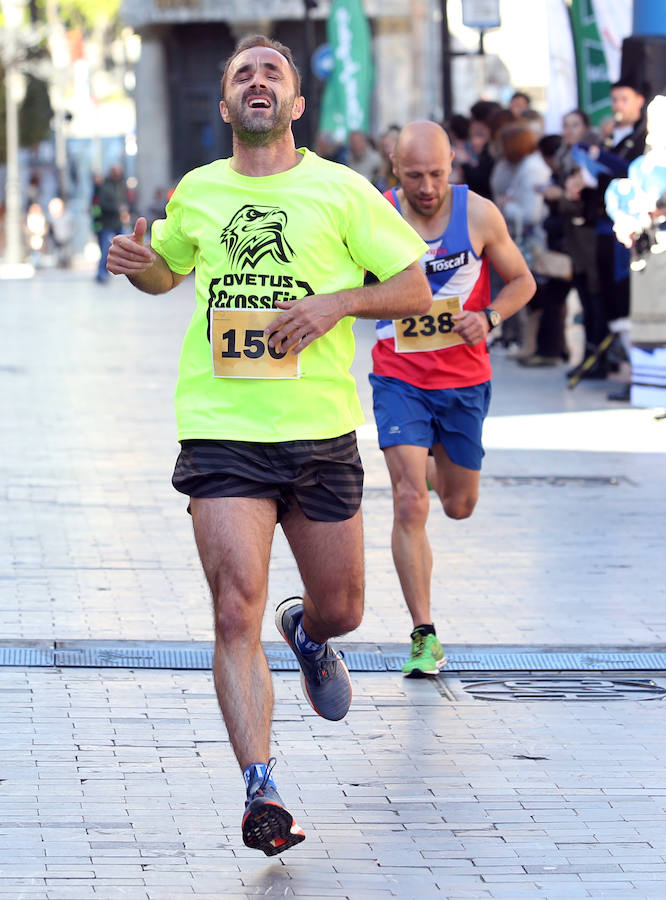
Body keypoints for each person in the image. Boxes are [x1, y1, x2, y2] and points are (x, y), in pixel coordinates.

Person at [106, 35, 430, 856]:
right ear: (226, 107)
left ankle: (311, 632)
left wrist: (336, 305)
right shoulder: (199, 193)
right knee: (231, 607)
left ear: (295, 104)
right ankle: (262, 790)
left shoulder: (342, 190)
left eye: (271, 72)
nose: (257, 81)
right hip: (222, 429)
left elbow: (414, 286)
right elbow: (168, 274)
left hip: (318, 434)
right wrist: (140, 263)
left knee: (346, 607)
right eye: (242, 73)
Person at [369, 121, 535, 677]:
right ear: (395, 169)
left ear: (453, 165)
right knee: (408, 499)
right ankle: (424, 635)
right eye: (414, 175)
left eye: (437, 174)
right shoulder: (377, 215)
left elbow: (523, 282)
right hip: (399, 375)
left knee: (458, 505)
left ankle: (438, 465)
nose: (427, 187)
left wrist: (489, 316)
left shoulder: (480, 215)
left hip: (463, 380)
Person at [564, 80, 647, 397]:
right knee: (612, 301)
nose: (618, 105)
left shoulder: (642, 139)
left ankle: (642, 376)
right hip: (606, 228)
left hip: (632, 235)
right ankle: (634, 373)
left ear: (639, 100)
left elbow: (635, 173)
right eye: (614, 99)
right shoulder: (614, 137)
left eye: (624, 99)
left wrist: (602, 157)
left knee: (627, 300)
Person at [95, 164, 129, 283]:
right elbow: (102, 205)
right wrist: (117, 208)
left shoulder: (121, 185)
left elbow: (125, 200)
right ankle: (101, 273)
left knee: (126, 246)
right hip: (107, 223)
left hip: (119, 223)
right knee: (106, 249)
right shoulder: (106, 186)